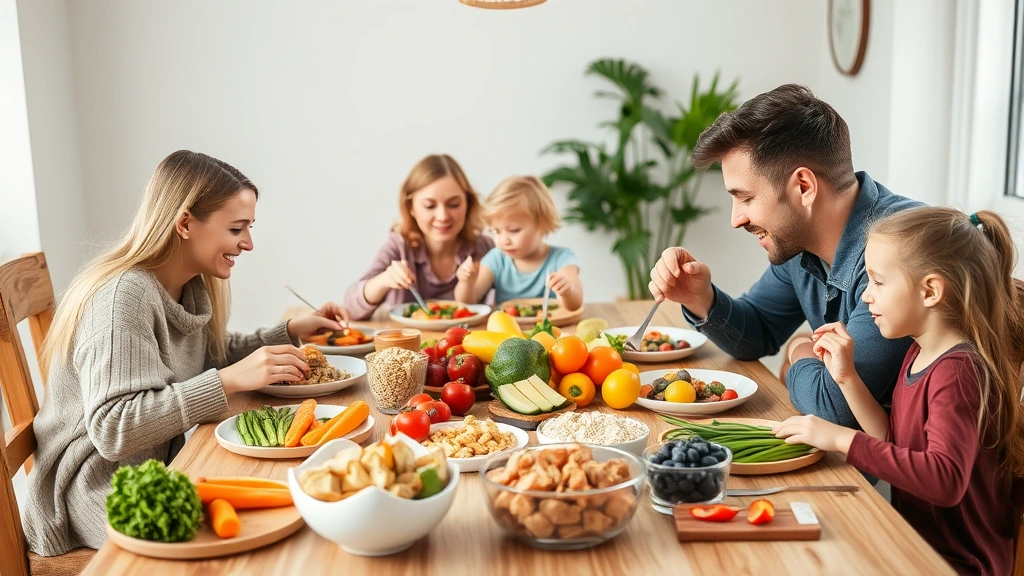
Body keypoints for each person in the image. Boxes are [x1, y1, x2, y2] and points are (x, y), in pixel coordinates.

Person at [24, 150, 351, 555]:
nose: (248, 243)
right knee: (264, 533)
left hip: (162, 463)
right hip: (97, 487)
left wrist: (288, 331)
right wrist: (228, 381)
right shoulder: (122, 298)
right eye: (236, 229)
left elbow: (210, 355)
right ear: (184, 223)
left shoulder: (190, 284)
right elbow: (113, 428)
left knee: (283, 495)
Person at [648, 84, 921, 427]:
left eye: (745, 198)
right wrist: (701, 298)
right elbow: (758, 330)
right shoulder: (801, 239)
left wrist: (797, 352)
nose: (736, 219)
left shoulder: (903, 250)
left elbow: (835, 407)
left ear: (803, 187)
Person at [773, 207, 1024, 576]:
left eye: (877, 282)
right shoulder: (918, 351)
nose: (867, 297)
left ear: (930, 291)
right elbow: (893, 441)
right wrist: (847, 379)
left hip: (959, 565)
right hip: (914, 547)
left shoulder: (959, 373)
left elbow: (945, 480)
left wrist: (841, 438)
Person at [343, 154, 494, 320]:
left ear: (468, 203)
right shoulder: (399, 247)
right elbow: (349, 309)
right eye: (429, 206)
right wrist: (384, 280)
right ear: (411, 208)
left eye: (453, 204)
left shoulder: (484, 247)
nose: (443, 216)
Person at [454, 175, 582, 310]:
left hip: (551, 329)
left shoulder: (561, 258)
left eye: (514, 230)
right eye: (496, 231)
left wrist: (567, 291)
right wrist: (466, 284)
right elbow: (469, 302)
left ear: (542, 224)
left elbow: (575, 305)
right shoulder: (497, 259)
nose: (504, 240)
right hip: (506, 330)